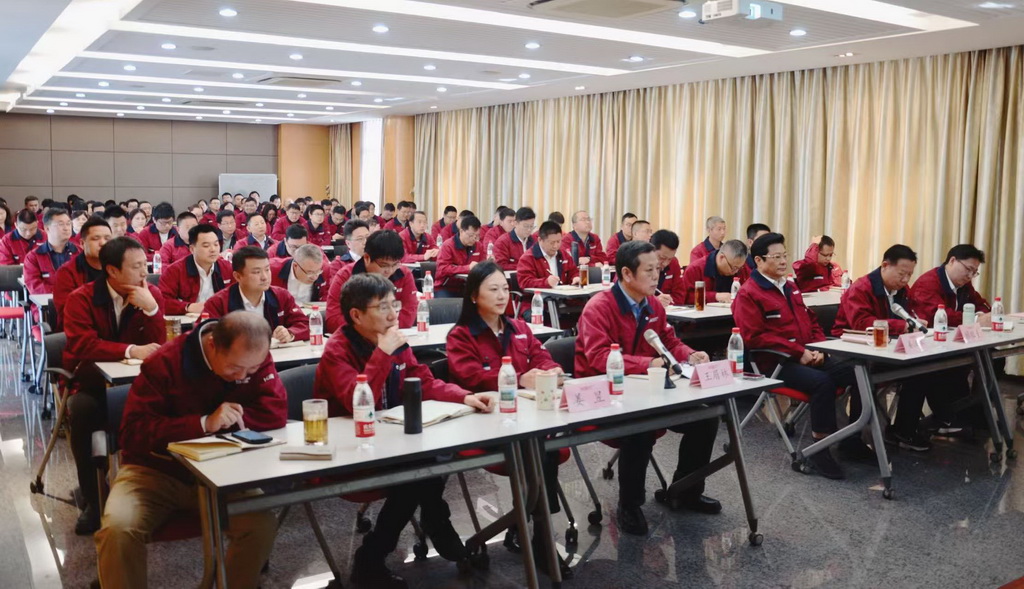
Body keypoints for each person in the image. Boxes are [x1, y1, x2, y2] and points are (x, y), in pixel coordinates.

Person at [314, 274, 494, 588]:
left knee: (427, 460)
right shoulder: (337, 350)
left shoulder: (394, 340)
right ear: (356, 315)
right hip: (349, 450)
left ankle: (381, 552)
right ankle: (430, 526)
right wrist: (382, 354)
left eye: (394, 305)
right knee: (417, 474)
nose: (393, 314)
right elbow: (359, 403)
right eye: (382, 307)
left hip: (392, 441)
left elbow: (423, 381)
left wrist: (464, 396)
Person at [95, 312, 284, 589]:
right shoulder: (165, 362)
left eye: (252, 370)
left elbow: (275, 411)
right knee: (118, 530)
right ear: (212, 345)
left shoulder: (252, 354)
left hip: (223, 471)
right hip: (156, 471)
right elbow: (133, 433)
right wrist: (204, 423)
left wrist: (228, 422)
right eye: (235, 368)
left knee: (261, 524)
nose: (242, 377)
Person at [574, 241, 719, 535]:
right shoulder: (599, 307)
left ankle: (684, 490)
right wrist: (647, 363)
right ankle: (629, 505)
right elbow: (599, 357)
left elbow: (669, 342)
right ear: (627, 273)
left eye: (658, 269)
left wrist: (690, 354)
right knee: (640, 425)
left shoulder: (653, 304)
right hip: (603, 394)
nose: (656, 276)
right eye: (649, 270)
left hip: (646, 389)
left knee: (706, 417)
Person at [445, 261, 571, 571]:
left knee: (543, 446)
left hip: (526, 419)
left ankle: (531, 525)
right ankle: (541, 535)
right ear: (474, 295)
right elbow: (470, 377)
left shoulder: (519, 328)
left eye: (505, 288)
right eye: (493, 289)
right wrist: (519, 379)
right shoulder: (461, 335)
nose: (502, 295)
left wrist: (551, 369)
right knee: (541, 451)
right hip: (485, 424)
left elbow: (540, 355)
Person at [732, 233, 867, 480]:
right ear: (759, 260)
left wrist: (819, 347)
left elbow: (810, 320)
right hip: (775, 363)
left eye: (784, 255)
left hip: (807, 354)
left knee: (858, 373)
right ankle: (819, 450)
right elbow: (754, 337)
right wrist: (798, 352)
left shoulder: (790, 287)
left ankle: (851, 440)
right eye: (776, 257)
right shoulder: (748, 293)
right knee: (822, 383)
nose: (783, 261)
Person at [64, 237, 166, 534]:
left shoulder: (150, 294)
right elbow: (84, 344)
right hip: (94, 381)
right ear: (112, 270)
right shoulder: (82, 299)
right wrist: (131, 350)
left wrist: (152, 311)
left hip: (139, 384)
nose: (145, 273)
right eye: (136, 267)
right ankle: (94, 500)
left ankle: (158, 490)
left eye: (145, 265)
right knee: (81, 410)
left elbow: (158, 347)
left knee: (173, 405)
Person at [831, 244, 936, 451]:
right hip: (850, 351)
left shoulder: (901, 291)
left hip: (886, 349)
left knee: (922, 369)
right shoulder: (861, 288)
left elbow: (909, 315)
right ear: (885, 265)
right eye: (902, 274)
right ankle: (852, 442)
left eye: (909, 275)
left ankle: (904, 430)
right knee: (864, 375)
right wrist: (902, 326)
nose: (905, 280)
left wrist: (915, 322)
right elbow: (862, 324)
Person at [203, 246, 309, 342]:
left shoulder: (281, 296)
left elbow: (305, 324)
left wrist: (290, 333)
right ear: (238, 276)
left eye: (267, 269)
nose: (264, 277)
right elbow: (205, 336)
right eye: (256, 272)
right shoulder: (218, 302)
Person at [326, 230, 417, 333]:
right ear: (367, 258)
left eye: (395, 264)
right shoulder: (345, 276)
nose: (390, 271)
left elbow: (408, 316)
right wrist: (373, 328)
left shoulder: (404, 274)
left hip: (392, 336)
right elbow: (333, 320)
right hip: (356, 339)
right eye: (384, 265)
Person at [909, 243, 992, 328]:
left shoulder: (964, 283)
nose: (970, 276)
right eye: (968, 269)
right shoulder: (927, 283)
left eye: (974, 272)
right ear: (952, 261)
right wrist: (974, 319)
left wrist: (981, 315)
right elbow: (939, 315)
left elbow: (980, 304)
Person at [158, 224, 234, 315]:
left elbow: (238, 296)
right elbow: (162, 301)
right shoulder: (174, 271)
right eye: (206, 246)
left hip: (220, 319)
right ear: (192, 249)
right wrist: (188, 307)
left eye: (216, 244)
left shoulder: (228, 268)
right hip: (187, 320)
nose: (213, 249)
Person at [53, 217, 111, 329]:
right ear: (82, 243)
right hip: (79, 330)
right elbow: (68, 313)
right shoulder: (67, 272)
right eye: (96, 238)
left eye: (107, 239)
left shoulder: (118, 268)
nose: (103, 243)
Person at [23, 207, 78, 295]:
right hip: (46, 302)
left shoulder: (80, 253)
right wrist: (62, 293)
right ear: (47, 228)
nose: (66, 228)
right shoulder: (33, 257)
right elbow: (35, 287)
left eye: (68, 224)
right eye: (61, 224)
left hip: (76, 301)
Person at [679, 239, 750, 305]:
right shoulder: (696, 269)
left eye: (739, 268)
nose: (736, 271)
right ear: (721, 257)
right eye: (733, 268)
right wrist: (715, 296)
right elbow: (687, 297)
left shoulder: (742, 268)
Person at [516, 220, 580, 289]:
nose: (555, 246)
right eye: (552, 243)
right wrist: (546, 282)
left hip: (563, 294)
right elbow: (525, 282)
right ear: (540, 240)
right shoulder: (528, 258)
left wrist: (575, 278)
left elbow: (574, 272)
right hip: (539, 295)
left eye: (558, 241)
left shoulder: (563, 254)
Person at [435, 215, 485, 294]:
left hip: (468, 286)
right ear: (461, 231)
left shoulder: (478, 246)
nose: (474, 239)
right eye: (470, 235)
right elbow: (443, 269)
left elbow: (483, 266)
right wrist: (467, 268)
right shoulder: (448, 245)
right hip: (447, 286)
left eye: (477, 236)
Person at [492, 207, 537, 271]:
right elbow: (500, 265)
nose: (529, 230)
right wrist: (524, 266)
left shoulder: (535, 241)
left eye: (532, 226)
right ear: (515, 223)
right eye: (526, 226)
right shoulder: (503, 241)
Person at [651, 230, 687, 307]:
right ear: (651, 250)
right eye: (662, 258)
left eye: (669, 259)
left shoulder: (674, 263)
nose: (665, 263)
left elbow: (679, 296)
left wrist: (666, 302)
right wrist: (654, 302)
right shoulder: (639, 264)